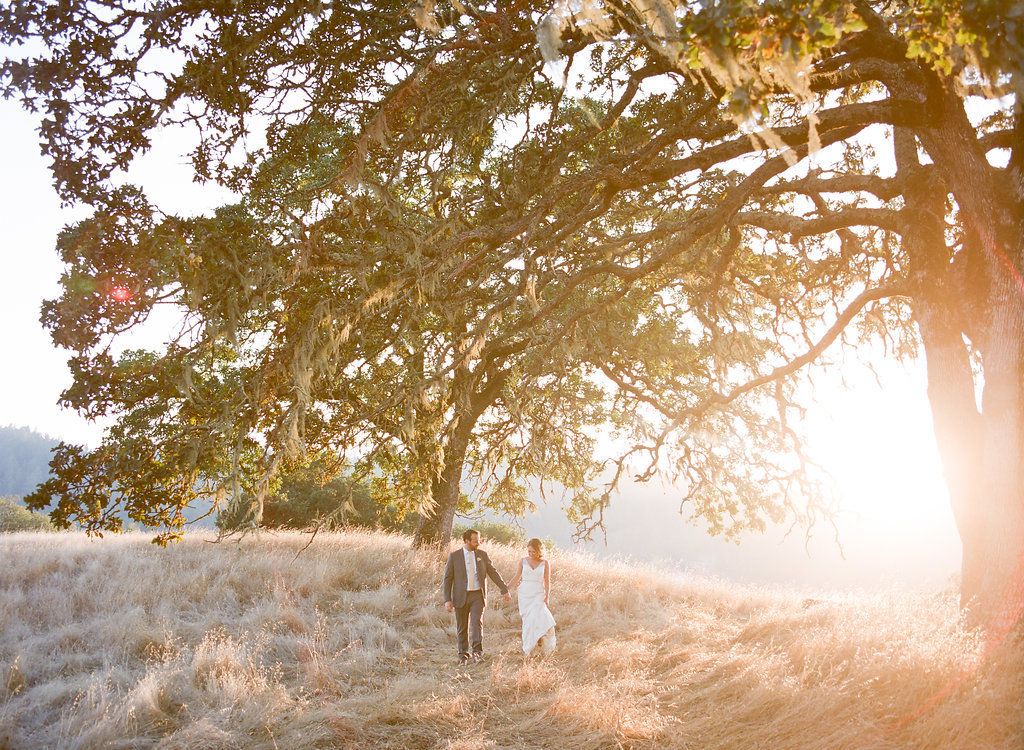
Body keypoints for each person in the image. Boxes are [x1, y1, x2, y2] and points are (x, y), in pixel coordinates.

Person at [443, 528, 511, 665]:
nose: (478, 544)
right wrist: (447, 600)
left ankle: (477, 653)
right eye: (475, 541)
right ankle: (463, 655)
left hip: (477, 596)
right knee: (462, 626)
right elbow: (447, 579)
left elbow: (493, 573)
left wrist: (504, 589)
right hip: (461, 596)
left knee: (476, 624)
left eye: (479, 541)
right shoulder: (455, 556)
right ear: (467, 541)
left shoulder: (482, 555)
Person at [507, 538, 556, 658]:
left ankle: (544, 647)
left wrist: (547, 596)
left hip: (539, 594)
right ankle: (529, 650)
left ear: (539, 551)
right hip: (525, 594)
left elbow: (547, 581)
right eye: (529, 551)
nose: (531, 554)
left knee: (543, 618)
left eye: (533, 552)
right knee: (529, 622)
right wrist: (506, 588)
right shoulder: (523, 561)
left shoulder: (545, 563)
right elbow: (517, 577)